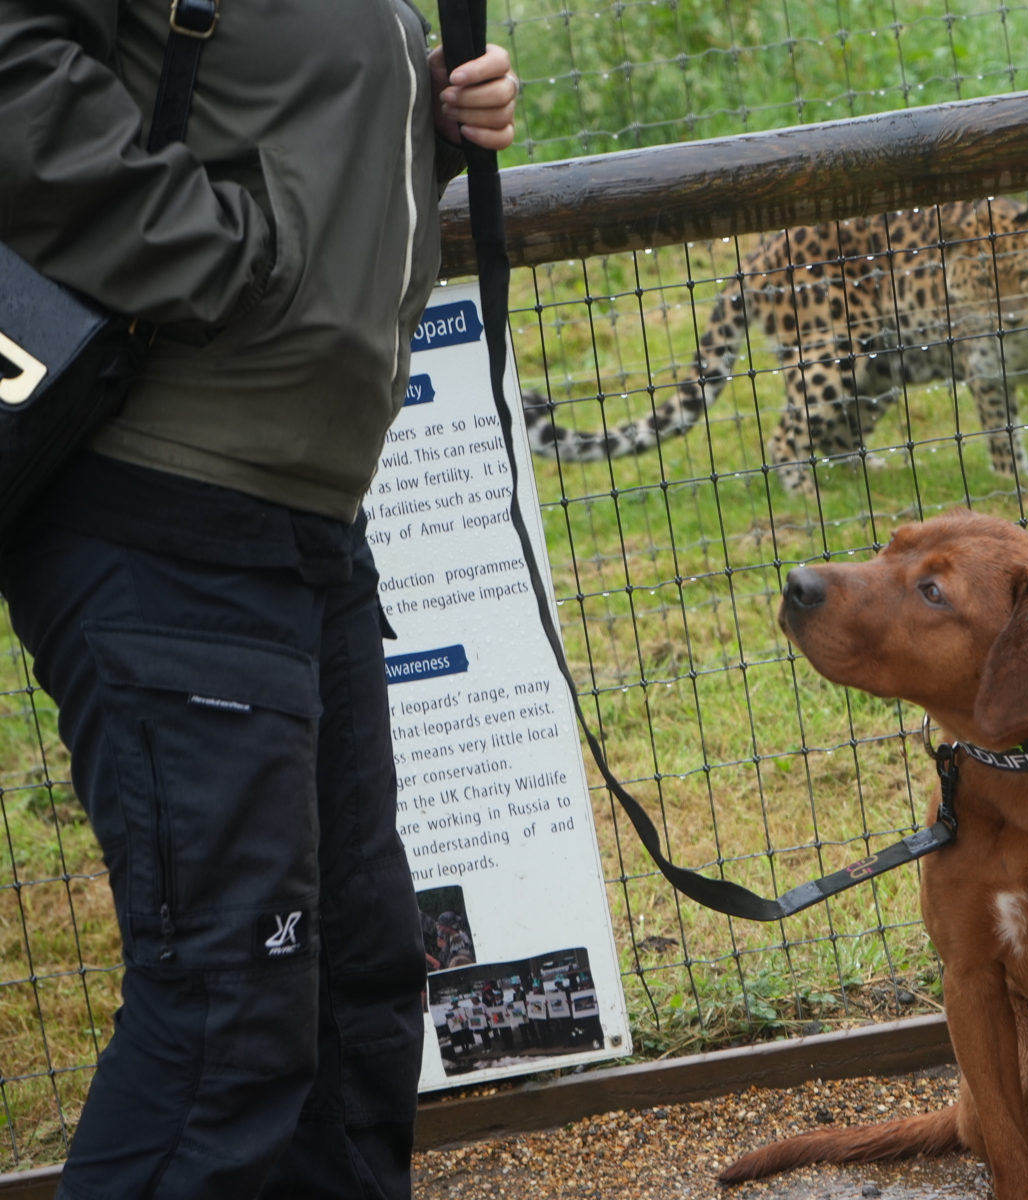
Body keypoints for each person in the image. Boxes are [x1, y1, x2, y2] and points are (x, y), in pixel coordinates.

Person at [0, 3, 516, 1196]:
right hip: (163, 503)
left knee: (351, 977)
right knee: (227, 1011)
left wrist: (425, 126)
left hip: (307, 519)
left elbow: (256, 113)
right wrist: (227, 256)